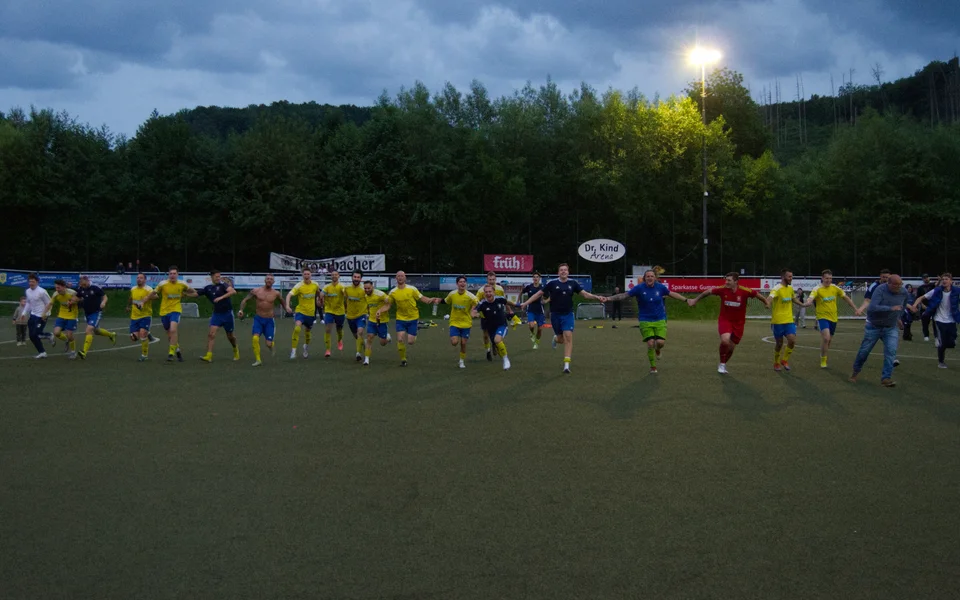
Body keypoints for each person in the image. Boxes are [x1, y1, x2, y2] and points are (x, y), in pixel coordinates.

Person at [519, 263, 604, 374]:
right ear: (558, 272)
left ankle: (566, 365)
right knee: (561, 339)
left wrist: (597, 297)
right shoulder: (552, 283)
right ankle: (555, 339)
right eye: (561, 270)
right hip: (555, 315)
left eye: (565, 270)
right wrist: (526, 303)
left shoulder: (573, 283)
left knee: (568, 337)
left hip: (568, 315)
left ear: (568, 272)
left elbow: (585, 294)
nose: (563, 271)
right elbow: (538, 294)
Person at [600, 270, 688, 374]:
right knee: (650, 343)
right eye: (648, 276)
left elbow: (672, 293)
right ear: (644, 278)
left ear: (655, 278)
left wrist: (686, 300)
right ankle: (653, 366)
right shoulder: (639, 288)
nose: (650, 278)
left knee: (660, 343)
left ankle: (658, 349)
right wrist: (608, 298)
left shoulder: (660, 287)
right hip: (645, 319)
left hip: (660, 319)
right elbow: (624, 295)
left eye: (652, 276)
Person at [688, 273, 770, 373]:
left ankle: (722, 363)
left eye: (729, 280)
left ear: (736, 281)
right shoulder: (722, 289)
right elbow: (708, 292)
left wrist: (766, 302)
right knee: (725, 341)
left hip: (739, 323)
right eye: (726, 280)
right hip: (725, 320)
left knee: (731, 348)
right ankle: (722, 365)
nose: (726, 282)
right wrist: (695, 300)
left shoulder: (745, 291)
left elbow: (757, 295)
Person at [851, 274, 908, 387]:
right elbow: (872, 307)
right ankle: (855, 372)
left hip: (890, 327)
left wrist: (898, 318)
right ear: (889, 284)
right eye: (896, 285)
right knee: (864, 351)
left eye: (900, 284)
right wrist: (890, 309)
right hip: (874, 326)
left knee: (891, 352)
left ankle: (886, 378)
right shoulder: (880, 290)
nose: (898, 287)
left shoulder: (904, 292)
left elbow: (903, 306)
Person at [802, 269, 861, 368]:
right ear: (822, 278)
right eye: (826, 278)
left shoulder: (835, 288)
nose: (828, 280)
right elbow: (811, 298)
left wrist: (856, 308)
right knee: (826, 338)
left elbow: (846, 297)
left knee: (829, 340)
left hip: (833, 318)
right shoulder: (817, 289)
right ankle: (823, 360)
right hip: (822, 317)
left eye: (830, 278)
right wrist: (808, 302)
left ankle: (823, 354)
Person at [144, 266, 198, 362]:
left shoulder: (182, 284)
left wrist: (186, 294)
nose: (172, 275)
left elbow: (195, 293)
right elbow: (153, 293)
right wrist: (144, 300)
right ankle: (177, 351)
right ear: (168, 275)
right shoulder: (163, 284)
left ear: (177, 274)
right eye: (171, 274)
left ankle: (171, 353)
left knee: (173, 330)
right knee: (170, 335)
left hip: (176, 310)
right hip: (164, 311)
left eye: (174, 273)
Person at [388, 271, 440, 366]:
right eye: (398, 276)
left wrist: (431, 299)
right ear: (396, 278)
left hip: (413, 318)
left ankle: (416, 328)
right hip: (400, 318)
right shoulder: (393, 292)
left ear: (405, 278)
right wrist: (380, 310)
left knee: (411, 342)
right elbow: (388, 304)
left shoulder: (412, 289)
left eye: (402, 276)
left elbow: (422, 298)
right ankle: (403, 360)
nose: (400, 278)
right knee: (400, 339)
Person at [910, 272, 959, 369]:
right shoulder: (937, 290)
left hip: (952, 320)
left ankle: (946, 343)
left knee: (952, 342)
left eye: (946, 279)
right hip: (939, 319)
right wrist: (914, 305)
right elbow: (921, 297)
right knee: (943, 342)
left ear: (951, 281)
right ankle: (941, 362)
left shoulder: (956, 291)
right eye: (943, 279)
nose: (944, 281)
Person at [238, 274, 283, 367]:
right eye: (268, 279)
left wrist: (287, 308)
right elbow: (245, 300)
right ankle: (258, 360)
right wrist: (241, 310)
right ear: (265, 280)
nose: (269, 280)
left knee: (268, 344)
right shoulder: (256, 291)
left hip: (269, 321)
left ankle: (271, 346)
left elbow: (282, 301)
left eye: (271, 279)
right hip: (258, 319)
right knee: (255, 338)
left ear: (274, 282)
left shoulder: (276, 293)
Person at [859, 268, 900, 366]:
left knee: (889, 338)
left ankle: (892, 358)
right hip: (874, 318)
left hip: (887, 317)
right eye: (883, 277)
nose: (885, 279)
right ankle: (861, 359)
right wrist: (861, 309)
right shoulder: (874, 286)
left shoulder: (893, 287)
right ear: (880, 277)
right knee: (870, 341)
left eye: (887, 277)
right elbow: (867, 300)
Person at [767, 269, 805, 372]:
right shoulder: (777, 288)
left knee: (792, 340)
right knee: (779, 344)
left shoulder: (790, 288)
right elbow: (770, 297)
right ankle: (776, 362)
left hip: (789, 320)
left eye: (792, 276)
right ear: (783, 277)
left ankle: (784, 360)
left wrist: (803, 304)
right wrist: (768, 303)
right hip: (778, 321)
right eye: (789, 277)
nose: (791, 278)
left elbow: (793, 299)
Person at [198, 270, 239, 363]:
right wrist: (184, 292)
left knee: (230, 336)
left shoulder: (223, 285)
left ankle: (235, 349)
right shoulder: (208, 288)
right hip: (217, 314)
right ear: (212, 277)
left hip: (227, 314)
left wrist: (221, 297)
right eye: (216, 276)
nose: (218, 278)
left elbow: (233, 291)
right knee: (211, 334)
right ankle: (209, 356)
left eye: (219, 276)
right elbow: (195, 294)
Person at [472, 284, 515, 370]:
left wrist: (517, 305)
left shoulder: (500, 299)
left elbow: (507, 302)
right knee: (498, 347)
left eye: (490, 292)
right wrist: (475, 314)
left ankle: (506, 360)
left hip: (502, 325)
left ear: (494, 292)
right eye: (486, 292)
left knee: (497, 340)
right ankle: (501, 355)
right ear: (484, 293)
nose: (488, 293)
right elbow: (474, 311)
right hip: (491, 328)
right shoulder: (482, 304)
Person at [74, 274, 117, 359]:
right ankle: (111, 335)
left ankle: (84, 352)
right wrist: (72, 301)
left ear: (87, 280)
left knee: (89, 330)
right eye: (81, 284)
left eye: (83, 284)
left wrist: (103, 302)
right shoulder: (81, 289)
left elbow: (105, 297)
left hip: (96, 312)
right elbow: (77, 297)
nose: (82, 286)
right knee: (97, 331)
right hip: (87, 313)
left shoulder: (95, 288)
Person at [285, 267, 321, 360]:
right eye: (305, 274)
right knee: (297, 328)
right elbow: (289, 295)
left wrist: (319, 300)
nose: (306, 276)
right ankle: (293, 351)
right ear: (302, 275)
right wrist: (287, 306)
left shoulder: (315, 285)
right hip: (300, 311)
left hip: (311, 313)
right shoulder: (299, 286)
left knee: (307, 332)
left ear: (311, 275)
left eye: (308, 274)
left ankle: (306, 347)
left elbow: (318, 293)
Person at [445, 276, 479, 368]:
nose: (462, 283)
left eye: (464, 282)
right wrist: (437, 300)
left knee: (463, 343)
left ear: (466, 284)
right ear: (457, 284)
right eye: (460, 282)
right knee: (454, 342)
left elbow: (477, 304)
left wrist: (473, 310)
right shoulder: (452, 294)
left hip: (466, 323)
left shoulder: (470, 296)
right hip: (454, 322)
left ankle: (461, 361)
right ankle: (454, 336)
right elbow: (446, 301)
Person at [44, 279, 80, 359]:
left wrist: (72, 302)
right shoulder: (56, 294)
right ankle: (66, 340)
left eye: (58, 288)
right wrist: (44, 313)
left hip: (72, 316)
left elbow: (80, 299)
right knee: (56, 333)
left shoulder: (72, 293)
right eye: (56, 288)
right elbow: (50, 304)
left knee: (70, 335)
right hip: (61, 315)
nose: (57, 289)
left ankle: (73, 352)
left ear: (64, 287)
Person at [24, 273, 55, 358]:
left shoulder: (42, 291)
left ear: (37, 282)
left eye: (33, 281)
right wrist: (24, 313)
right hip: (33, 315)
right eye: (30, 281)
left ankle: (49, 335)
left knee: (36, 333)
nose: (31, 283)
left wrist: (45, 314)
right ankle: (42, 352)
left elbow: (49, 303)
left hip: (41, 316)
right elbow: (28, 303)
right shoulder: (27, 291)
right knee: (31, 336)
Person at [343, 270, 370, 362]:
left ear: (361, 279)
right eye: (355, 277)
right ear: (352, 277)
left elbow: (370, 300)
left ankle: (358, 353)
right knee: (356, 336)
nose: (356, 279)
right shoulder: (347, 288)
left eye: (358, 277)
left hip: (361, 315)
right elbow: (345, 300)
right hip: (350, 316)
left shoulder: (364, 290)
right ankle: (363, 343)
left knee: (360, 332)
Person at [127, 272, 154, 361]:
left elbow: (156, 296)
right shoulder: (133, 289)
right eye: (138, 278)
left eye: (141, 278)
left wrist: (146, 298)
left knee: (142, 334)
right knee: (133, 338)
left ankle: (144, 355)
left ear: (145, 280)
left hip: (145, 315)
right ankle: (148, 333)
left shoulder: (148, 289)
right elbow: (131, 298)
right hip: (134, 316)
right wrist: (128, 306)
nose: (139, 279)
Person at [364, 280, 392, 366]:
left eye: (368, 288)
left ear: (372, 287)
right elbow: (368, 306)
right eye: (365, 288)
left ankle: (387, 337)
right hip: (372, 320)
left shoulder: (380, 294)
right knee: (369, 337)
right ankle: (366, 359)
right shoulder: (365, 296)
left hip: (382, 321)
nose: (367, 290)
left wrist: (380, 310)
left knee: (382, 343)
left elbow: (388, 304)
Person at [321, 270, 347, 358]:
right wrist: (321, 297)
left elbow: (345, 293)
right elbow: (322, 293)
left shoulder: (342, 286)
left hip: (340, 311)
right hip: (329, 311)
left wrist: (345, 294)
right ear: (331, 276)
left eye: (336, 275)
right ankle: (328, 350)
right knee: (328, 329)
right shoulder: (327, 286)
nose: (334, 276)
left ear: (339, 276)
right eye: (332, 275)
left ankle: (339, 340)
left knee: (339, 329)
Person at [520, 272, 546, 348]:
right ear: (532, 278)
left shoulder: (542, 287)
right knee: (531, 326)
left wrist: (545, 301)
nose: (535, 278)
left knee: (540, 329)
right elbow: (521, 292)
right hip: (531, 309)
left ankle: (537, 341)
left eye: (537, 277)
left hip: (540, 310)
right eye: (534, 277)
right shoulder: (529, 287)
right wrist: (519, 301)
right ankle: (532, 333)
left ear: (539, 278)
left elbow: (549, 296)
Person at [915, 274, 937, 341]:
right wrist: (922, 305)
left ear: (929, 278)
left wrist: (939, 280)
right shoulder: (920, 288)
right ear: (922, 279)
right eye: (924, 278)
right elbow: (918, 297)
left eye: (927, 277)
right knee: (925, 322)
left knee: (935, 322)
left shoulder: (932, 285)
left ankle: (936, 336)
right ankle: (926, 336)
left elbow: (937, 284)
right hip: (924, 307)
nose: (926, 279)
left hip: (933, 306)